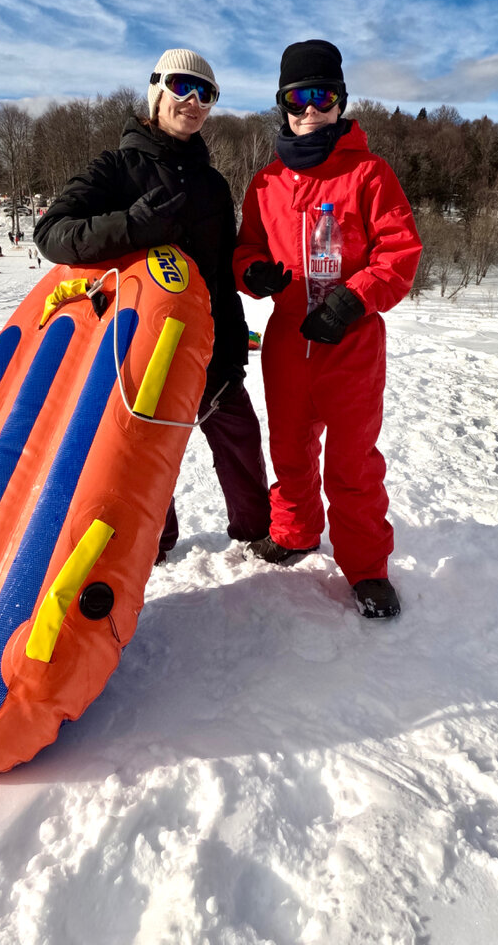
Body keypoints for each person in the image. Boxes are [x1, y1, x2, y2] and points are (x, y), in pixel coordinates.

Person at [34, 47, 271, 563]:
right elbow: (51, 234)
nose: (193, 101)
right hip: (139, 343)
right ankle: (153, 543)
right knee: (140, 454)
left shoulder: (212, 184)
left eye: (205, 93)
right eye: (182, 87)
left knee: (240, 438)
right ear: (156, 91)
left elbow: (220, 275)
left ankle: (257, 533)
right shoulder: (114, 168)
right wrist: (131, 226)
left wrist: (232, 348)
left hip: (208, 344)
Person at [234, 40, 422, 620]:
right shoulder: (265, 183)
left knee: (351, 462)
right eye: (298, 97)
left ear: (340, 101)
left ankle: (366, 568)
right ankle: (294, 532)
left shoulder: (369, 172)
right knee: (288, 449)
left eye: (322, 96)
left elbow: (399, 254)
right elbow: (244, 250)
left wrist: (353, 302)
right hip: (289, 339)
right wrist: (252, 272)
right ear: (283, 105)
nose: (310, 109)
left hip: (350, 342)